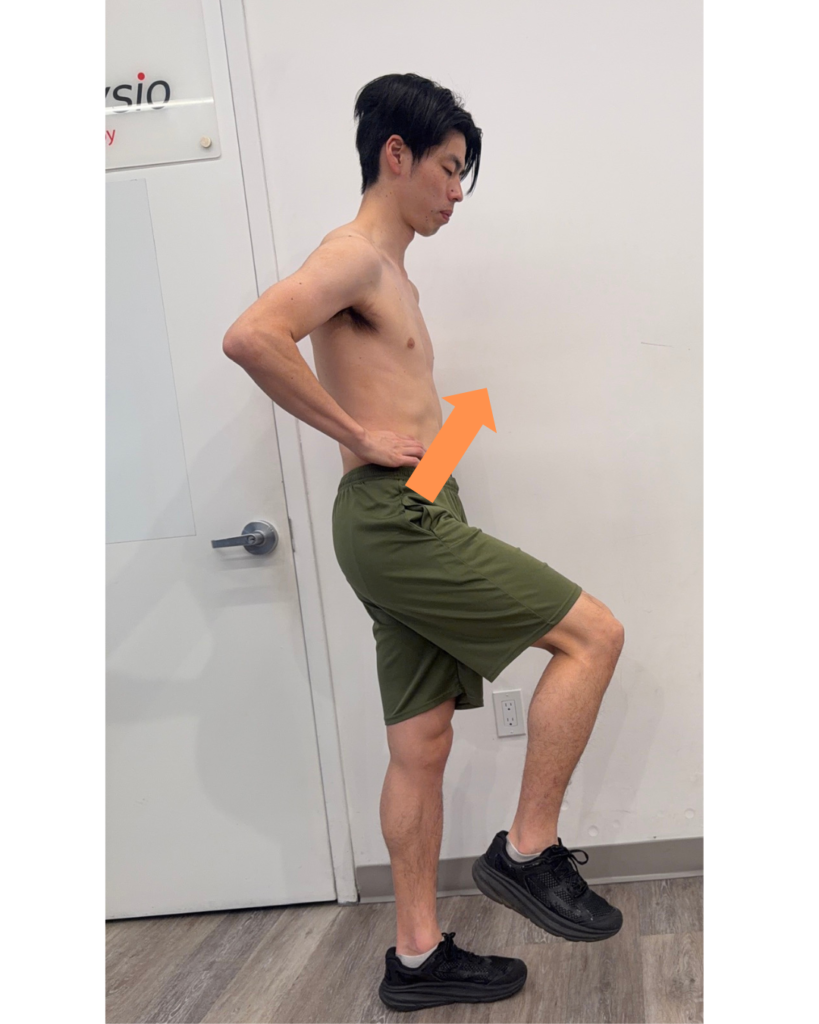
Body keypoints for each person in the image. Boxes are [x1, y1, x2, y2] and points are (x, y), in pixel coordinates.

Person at [223, 72, 625, 1013]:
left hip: (411, 511)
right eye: (448, 169)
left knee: (422, 744)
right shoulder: (354, 257)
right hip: (395, 520)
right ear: (395, 155)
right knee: (593, 635)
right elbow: (252, 336)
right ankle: (527, 850)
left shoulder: (393, 274)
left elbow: (394, 400)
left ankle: (415, 958)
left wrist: (442, 451)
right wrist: (355, 436)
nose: (455, 192)